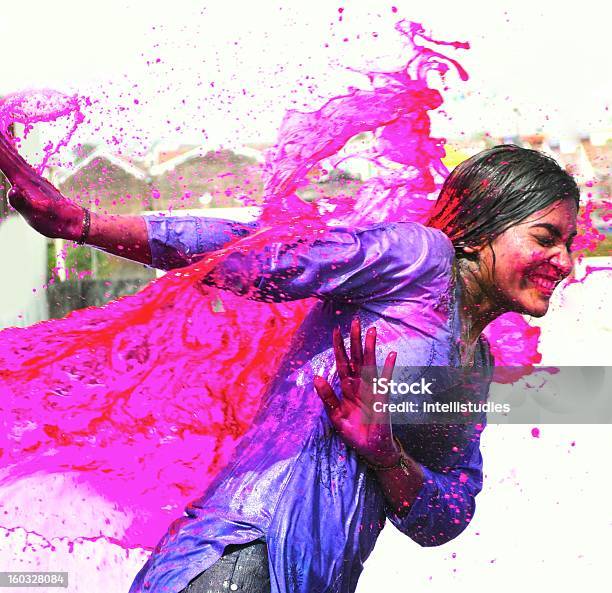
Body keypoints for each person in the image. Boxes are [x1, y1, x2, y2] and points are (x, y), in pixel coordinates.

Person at [0, 138, 579, 593]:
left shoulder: (475, 367)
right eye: (546, 238)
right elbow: (271, 255)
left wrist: (386, 454)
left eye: (571, 244)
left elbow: (447, 514)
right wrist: (84, 226)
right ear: (481, 233)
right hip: (241, 555)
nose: (566, 262)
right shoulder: (418, 259)